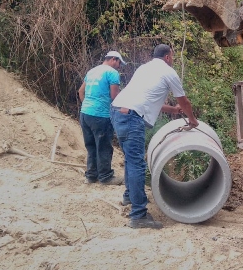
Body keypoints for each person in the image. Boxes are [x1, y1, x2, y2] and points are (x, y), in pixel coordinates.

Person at [110, 44, 199, 229]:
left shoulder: (144, 68)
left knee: (130, 159)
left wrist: (172, 110)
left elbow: (145, 98)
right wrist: (192, 120)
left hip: (118, 111)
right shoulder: (169, 72)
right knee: (137, 164)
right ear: (167, 57)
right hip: (132, 117)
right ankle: (138, 215)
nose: (173, 60)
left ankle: (129, 195)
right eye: (172, 57)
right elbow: (184, 101)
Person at [78, 51, 126, 185]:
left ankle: (91, 176)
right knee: (104, 146)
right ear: (113, 59)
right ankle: (105, 177)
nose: (119, 67)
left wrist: (88, 106)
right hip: (101, 116)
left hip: (85, 114)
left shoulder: (92, 71)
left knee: (91, 145)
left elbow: (81, 91)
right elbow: (114, 96)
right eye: (119, 63)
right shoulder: (112, 73)